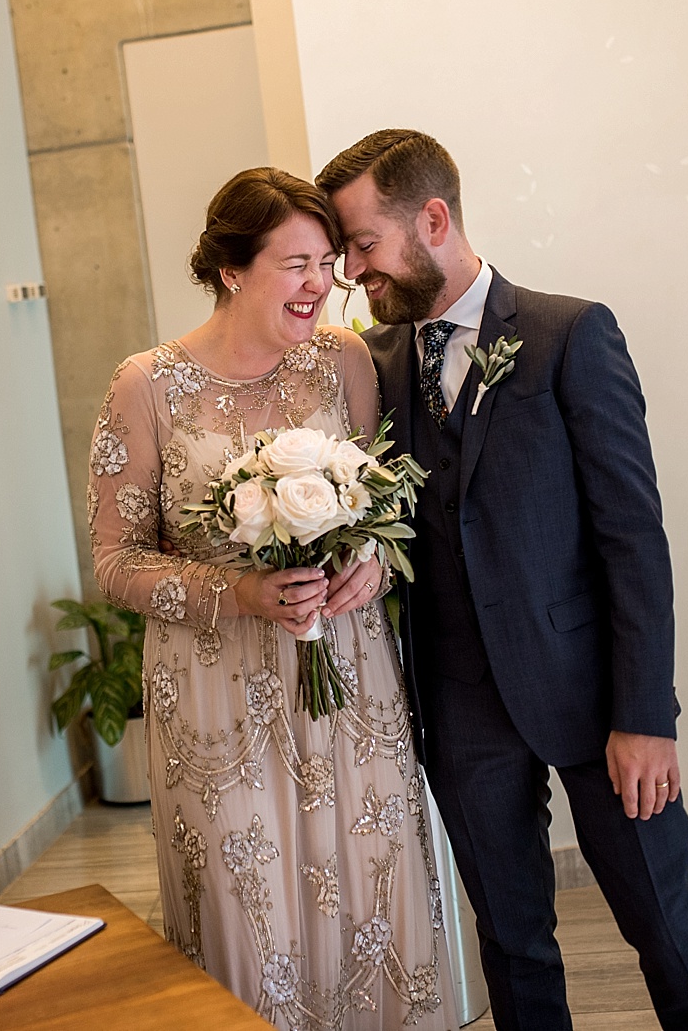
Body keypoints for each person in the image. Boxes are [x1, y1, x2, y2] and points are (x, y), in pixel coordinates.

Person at [318, 130, 688, 1031]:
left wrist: (644, 717)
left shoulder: (568, 334)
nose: (354, 274)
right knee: (510, 942)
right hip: (459, 700)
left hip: (595, 697)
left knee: (664, 922)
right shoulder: (370, 363)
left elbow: (633, 538)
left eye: (363, 244)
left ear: (432, 219)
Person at [87, 167, 455, 1029]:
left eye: (327, 261)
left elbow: (382, 511)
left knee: (368, 889)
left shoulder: (346, 361)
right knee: (244, 913)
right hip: (214, 695)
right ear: (230, 271)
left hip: (346, 682)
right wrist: (240, 591)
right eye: (296, 264)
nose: (321, 285)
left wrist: (371, 562)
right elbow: (114, 560)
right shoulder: (145, 386)